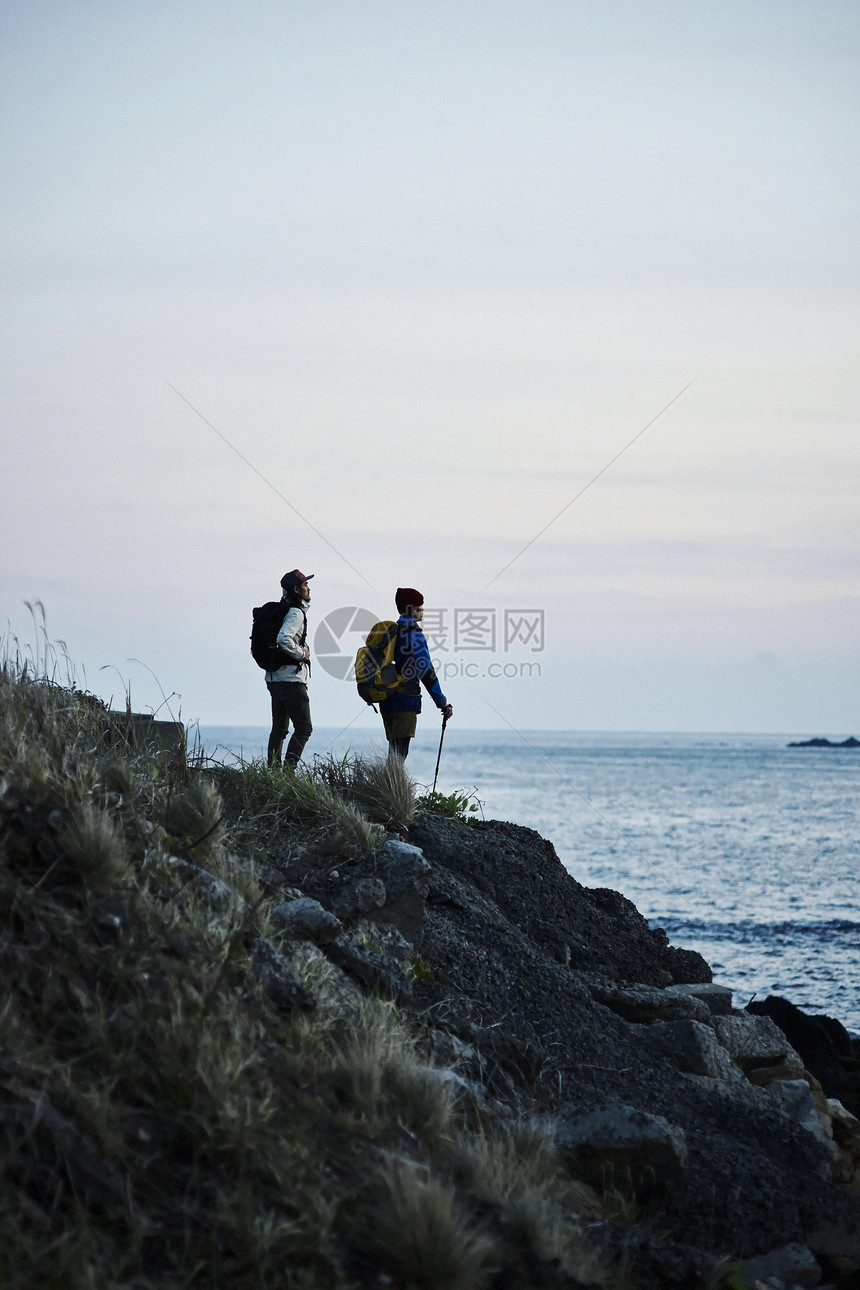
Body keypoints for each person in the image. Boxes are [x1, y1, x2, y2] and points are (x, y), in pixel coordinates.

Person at [380, 587, 453, 760]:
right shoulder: (414, 635)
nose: (422, 613)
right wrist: (442, 703)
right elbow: (426, 672)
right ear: (411, 609)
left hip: (386, 699)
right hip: (405, 701)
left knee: (394, 751)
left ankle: (386, 786)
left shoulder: (390, 632)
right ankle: (390, 787)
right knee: (399, 755)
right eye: (420, 609)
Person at [266, 568, 314, 768]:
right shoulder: (295, 613)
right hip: (291, 679)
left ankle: (273, 772)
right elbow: (283, 639)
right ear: (296, 589)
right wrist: (302, 654)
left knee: (279, 729)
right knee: (304, 728)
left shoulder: (280, 610)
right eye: (305, 585)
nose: (308, 589)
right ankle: (288, 772)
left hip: (274, 677)